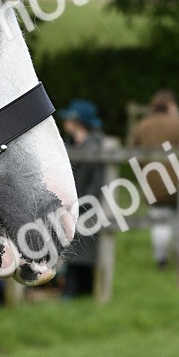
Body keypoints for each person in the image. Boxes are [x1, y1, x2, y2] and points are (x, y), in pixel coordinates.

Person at [130, 90, 179, 268]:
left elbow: (131, 151)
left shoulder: (142, 125)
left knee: (159, 221)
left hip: (152, 181)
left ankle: (162, 260)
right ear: (170, 105)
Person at [58, 98, 105, 298]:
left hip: (87, 207)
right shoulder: (69, 144)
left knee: (82, 251)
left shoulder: (95, 146)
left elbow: (94, 183)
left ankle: (76, 291)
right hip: (68, 208)